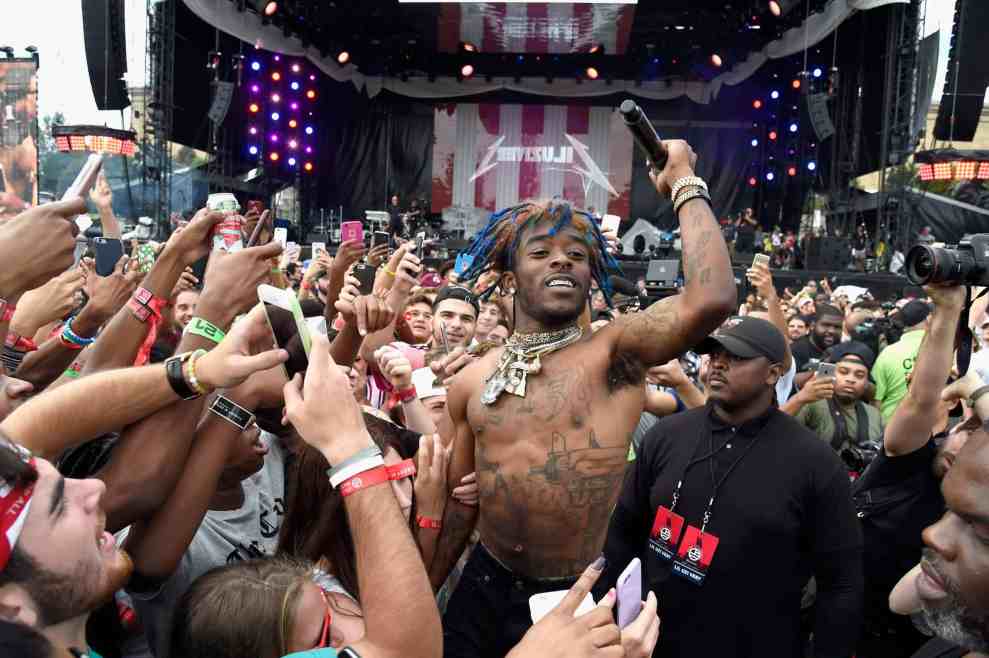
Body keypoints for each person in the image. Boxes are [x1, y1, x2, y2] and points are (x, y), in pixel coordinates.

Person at [434, 140, 737, 657]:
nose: (563, 261)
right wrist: (428, 582)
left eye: (577, 255)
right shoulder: (471, 380)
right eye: (542, 253)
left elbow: (711, 299)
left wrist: (684, 181)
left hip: (575, 596)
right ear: (510, 279)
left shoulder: (614, 353)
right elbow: (461, 506)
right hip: (482, 584)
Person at [603, 316, 863, 658]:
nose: (718, 364)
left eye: (737, 357)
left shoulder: (815, 463)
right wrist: (609, 614)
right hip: (654, 640)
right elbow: (624, 532)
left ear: (773, 373)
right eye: (714, 354)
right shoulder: (667, 435)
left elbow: (841, 582)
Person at [851, 285, 971, 658]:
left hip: (923, 641)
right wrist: (949, 309)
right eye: (966, 431)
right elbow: (921, 400)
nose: (964, 449)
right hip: (848, 622)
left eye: (981, 442)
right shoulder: (909, 461)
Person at [783, 341, 883, 476]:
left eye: (859, 375)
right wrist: (800, 398)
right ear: (831, 374)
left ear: (866, 383)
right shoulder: (811, 403)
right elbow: (776, 430)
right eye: (843, 372)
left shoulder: (874, 414)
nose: (850, 379)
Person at [873, 300, 930, 421]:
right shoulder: (944, 351)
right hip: (929, 428)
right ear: (928, 319)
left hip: (890, 427)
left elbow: (876, 400)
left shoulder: (888, 353)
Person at [792, 304, 844, 382]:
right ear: (813, 325)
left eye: (837, 327)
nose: (832, 331)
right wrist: (824, 366)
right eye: (826, 325)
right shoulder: (795, 350)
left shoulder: (845, 350)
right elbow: (788, 382)